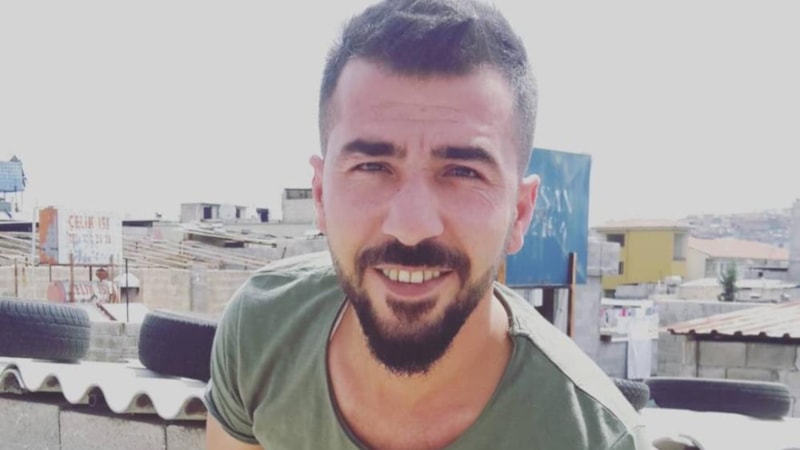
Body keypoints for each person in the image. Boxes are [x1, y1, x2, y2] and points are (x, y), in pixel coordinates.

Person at [205, 0, 651, 448]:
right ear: (320, 195)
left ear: (519, 212)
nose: (411, 227)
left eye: (463, 172)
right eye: (372, 166)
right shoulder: (261, 334)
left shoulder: (598, 441)